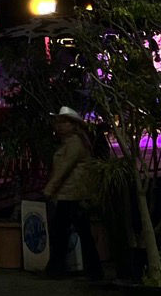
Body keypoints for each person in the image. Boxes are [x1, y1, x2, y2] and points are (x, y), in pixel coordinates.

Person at [44, 107, 103, 281]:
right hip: (72, 194)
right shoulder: (73, 142)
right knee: (77, 232)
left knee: (63, 233)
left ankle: (57, 269)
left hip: (71, 194)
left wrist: (49, 189)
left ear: (73, 125)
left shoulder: (74, 143)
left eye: (64, 122)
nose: (60, 126)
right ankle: (91, 270)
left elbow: (63, 169)